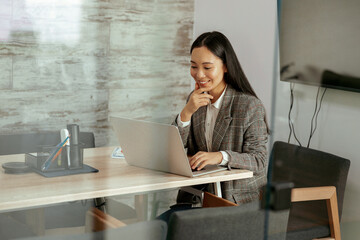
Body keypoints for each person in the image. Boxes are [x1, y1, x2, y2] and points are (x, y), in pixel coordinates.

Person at [158, 31, 269, 221]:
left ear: (225, 66)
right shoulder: (195, 101)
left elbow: (259, 160)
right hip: (198, 198)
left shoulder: (249, 106)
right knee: (158, 227)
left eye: (207, 67)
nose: (199, 74)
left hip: (236, 204)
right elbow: (173, 149)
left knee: (162, 228)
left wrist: (219, 157)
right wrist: (186, 113)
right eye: (193, 66)